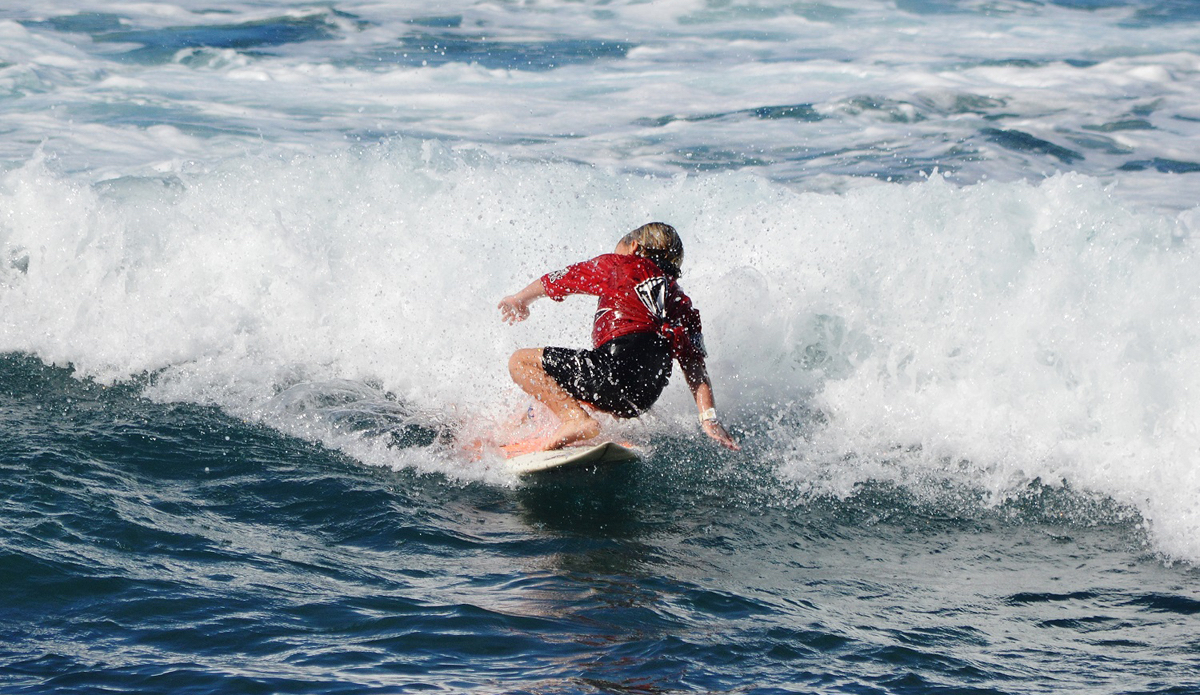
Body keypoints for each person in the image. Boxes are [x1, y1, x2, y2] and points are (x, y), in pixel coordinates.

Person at [497, 222, 740, 455]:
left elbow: (559, 280)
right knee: (558, 389)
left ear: (634, 247)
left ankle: (576, 422)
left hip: (613, 373)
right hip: (643, 396)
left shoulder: (620, 265)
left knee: (521, 363)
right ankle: (528, 427)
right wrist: (709, 420)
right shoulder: (681, 301)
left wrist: (520, 299)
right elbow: (695, 366)